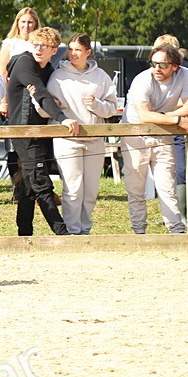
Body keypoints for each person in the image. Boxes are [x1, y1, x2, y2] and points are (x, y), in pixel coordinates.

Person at [5, 27, 80, 236]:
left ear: (53, 50)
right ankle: (62, 233)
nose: (38, 49)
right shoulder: (24, 63)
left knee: (27, 186)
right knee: (41, 183)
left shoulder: (48, 69)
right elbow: (42, 94)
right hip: (24, 132)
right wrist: (63, 118)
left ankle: (24, 233)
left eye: (44, 46)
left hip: (39, 131)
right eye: (35, 44)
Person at [47, 34, 122, 235]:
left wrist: (96, 105)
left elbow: (112, 108)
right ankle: (72, 231)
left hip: (95, 139)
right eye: (70, 49)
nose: (73, 53)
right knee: (72, 188)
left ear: (88, 52)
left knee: (90, 190)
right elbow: (44, 107)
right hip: (66, 140)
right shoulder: (57, 76)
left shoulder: (101, 77)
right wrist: (56, 108)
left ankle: (85, 229)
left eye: (78, 49)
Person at [120, 44, 188, 234]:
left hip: (163, 134)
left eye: (163, 65)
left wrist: (164, 116)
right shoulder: (142, 80)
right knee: (136, 188)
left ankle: (176, 230)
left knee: (167, 186)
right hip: (135, 135)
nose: (156, 69)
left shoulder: (184, 74)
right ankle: (139, 232)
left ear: (175, 66)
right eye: (153, 63)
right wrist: (176, 119)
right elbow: (145, 115)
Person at [0, 7, 41, 118]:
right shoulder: (9, 44)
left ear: (35, 24)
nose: (26, 26)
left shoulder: (40, 44)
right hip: (15, 94)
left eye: (30, 22)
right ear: (17, 23)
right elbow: (3, 74)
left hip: (36, 92)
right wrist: (4, 101)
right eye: (23, 22)